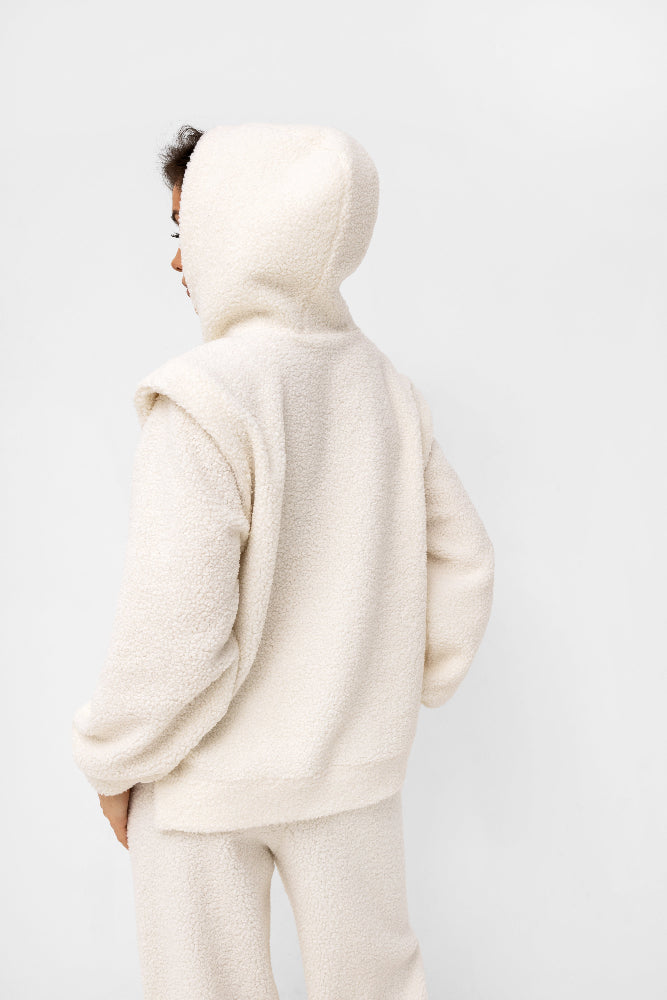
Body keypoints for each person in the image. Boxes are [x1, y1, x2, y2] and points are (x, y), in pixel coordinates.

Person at [71, 121, 495, 1000]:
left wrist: (112, 762)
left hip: (199, 785)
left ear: (242, 229)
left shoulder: (203, 398)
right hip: (351, 772)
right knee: (376, 985)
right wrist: (395, 682)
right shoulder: (385, 390)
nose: (178, 260)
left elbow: (173, 626)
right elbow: (463, 558)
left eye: (187, 229)